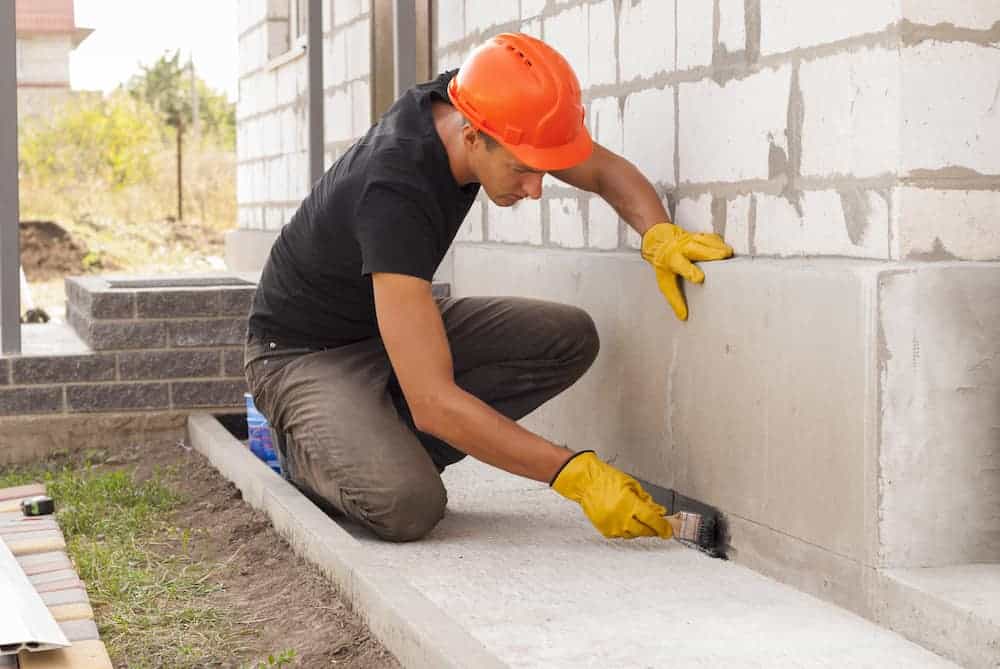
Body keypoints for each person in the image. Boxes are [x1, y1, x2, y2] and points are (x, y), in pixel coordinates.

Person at [244, 32, 732, 544]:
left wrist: (658, 234)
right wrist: (576, 474)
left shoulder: (484, 104)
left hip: (382, 329)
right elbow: (433, 402)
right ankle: (310, 450)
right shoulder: (394, 193)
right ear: (472, 136)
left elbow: (603, 171)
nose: (536, 188)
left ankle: (383, 440)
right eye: (523, 170)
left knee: (567, 336)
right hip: (302, 355)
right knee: (406, 505)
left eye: (542, 170)